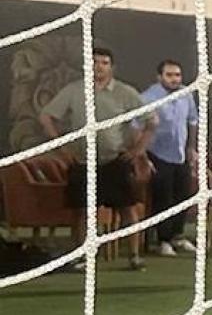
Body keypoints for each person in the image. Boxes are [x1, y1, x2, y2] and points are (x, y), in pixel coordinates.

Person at [39, 46, 149, 271]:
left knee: (128, 209)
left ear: (112, 67)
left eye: (104, 62)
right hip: (81, 161)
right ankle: (81, 256)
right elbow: (46, 117)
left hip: (114, 161)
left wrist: (138, 150)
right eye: (94, 62)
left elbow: (152, 121)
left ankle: (135, 256)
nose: (98, 66)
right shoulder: (73, 91)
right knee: (81, 211)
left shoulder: (126, 93)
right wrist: (62, 148)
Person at [136, 58, 200, 257]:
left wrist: (191, 148)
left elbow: (192, 121)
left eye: (177, 75)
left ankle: (177, 236)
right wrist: (142, 155)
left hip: (180, 154)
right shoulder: (148, 97)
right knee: (163, 198)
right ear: (159, 77)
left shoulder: (186, 94)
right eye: (170, 75)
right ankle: (163, 240)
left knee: (183, 195)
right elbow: (136, 127)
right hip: (156, 154)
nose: (175, 79)